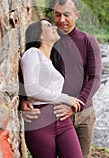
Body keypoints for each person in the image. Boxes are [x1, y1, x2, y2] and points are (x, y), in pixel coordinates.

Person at [20, 0, 102, 158]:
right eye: (57, 15)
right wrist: (24, 100)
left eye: (67, 14)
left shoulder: (88, 41)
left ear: (76, 15)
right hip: (51, 112)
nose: (62, 19)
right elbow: (28, 74)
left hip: (82, 112)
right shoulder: (50, 42)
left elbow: (95, 78)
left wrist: (75, 104)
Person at [20, 19, 84, 158]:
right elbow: (32, 89)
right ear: (40, 35)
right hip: (40, 121)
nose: (54, 26)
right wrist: (66, 98)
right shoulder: (32, 53)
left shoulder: (52, 60)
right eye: (48, 25)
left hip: (62, 120)